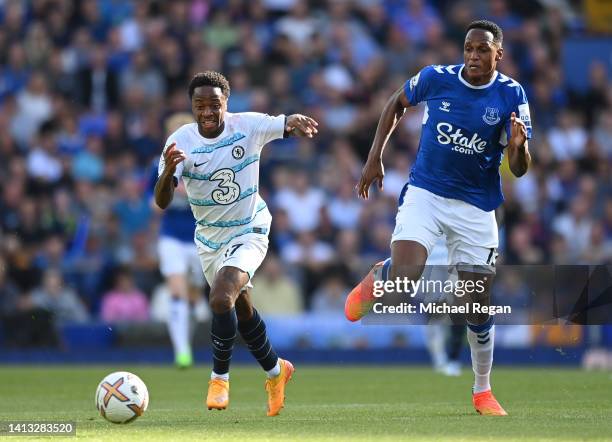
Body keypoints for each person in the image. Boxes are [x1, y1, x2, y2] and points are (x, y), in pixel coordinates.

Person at [344, 20, 531, 416]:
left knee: (475, 305)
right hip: (426, 193)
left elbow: (519, 167)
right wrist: (374, 156)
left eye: (483, 50)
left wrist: (518, 146)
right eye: (468, 49)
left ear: (499, 53)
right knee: (404, 282)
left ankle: (483, 391)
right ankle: (383, 273)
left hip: (476, 207)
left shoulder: (511, 94)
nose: (474, 57)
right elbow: (396, 100)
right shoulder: (436, 78)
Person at [154, 71, 318, 416]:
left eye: (214, 104)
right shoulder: (179, 141)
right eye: (200, 105)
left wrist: (295, 121)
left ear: (225, 102)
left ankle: (219, 378)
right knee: (241, 311)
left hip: (250, 229)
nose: (208, 112)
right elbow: (163, 201)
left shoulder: (247, 125)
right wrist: (169, 172)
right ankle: (276, 372)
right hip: (210, 239)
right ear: (192, 106)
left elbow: (283, 123)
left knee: (220, 296)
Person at [150, 112, 206, 369]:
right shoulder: (160, 164)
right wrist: (171, 190)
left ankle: (188, 340)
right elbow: (153, 203)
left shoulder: (206, 160)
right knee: (177, 292)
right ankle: (182, 352)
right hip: (171, 237)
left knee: (194, 298)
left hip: (200, 238)